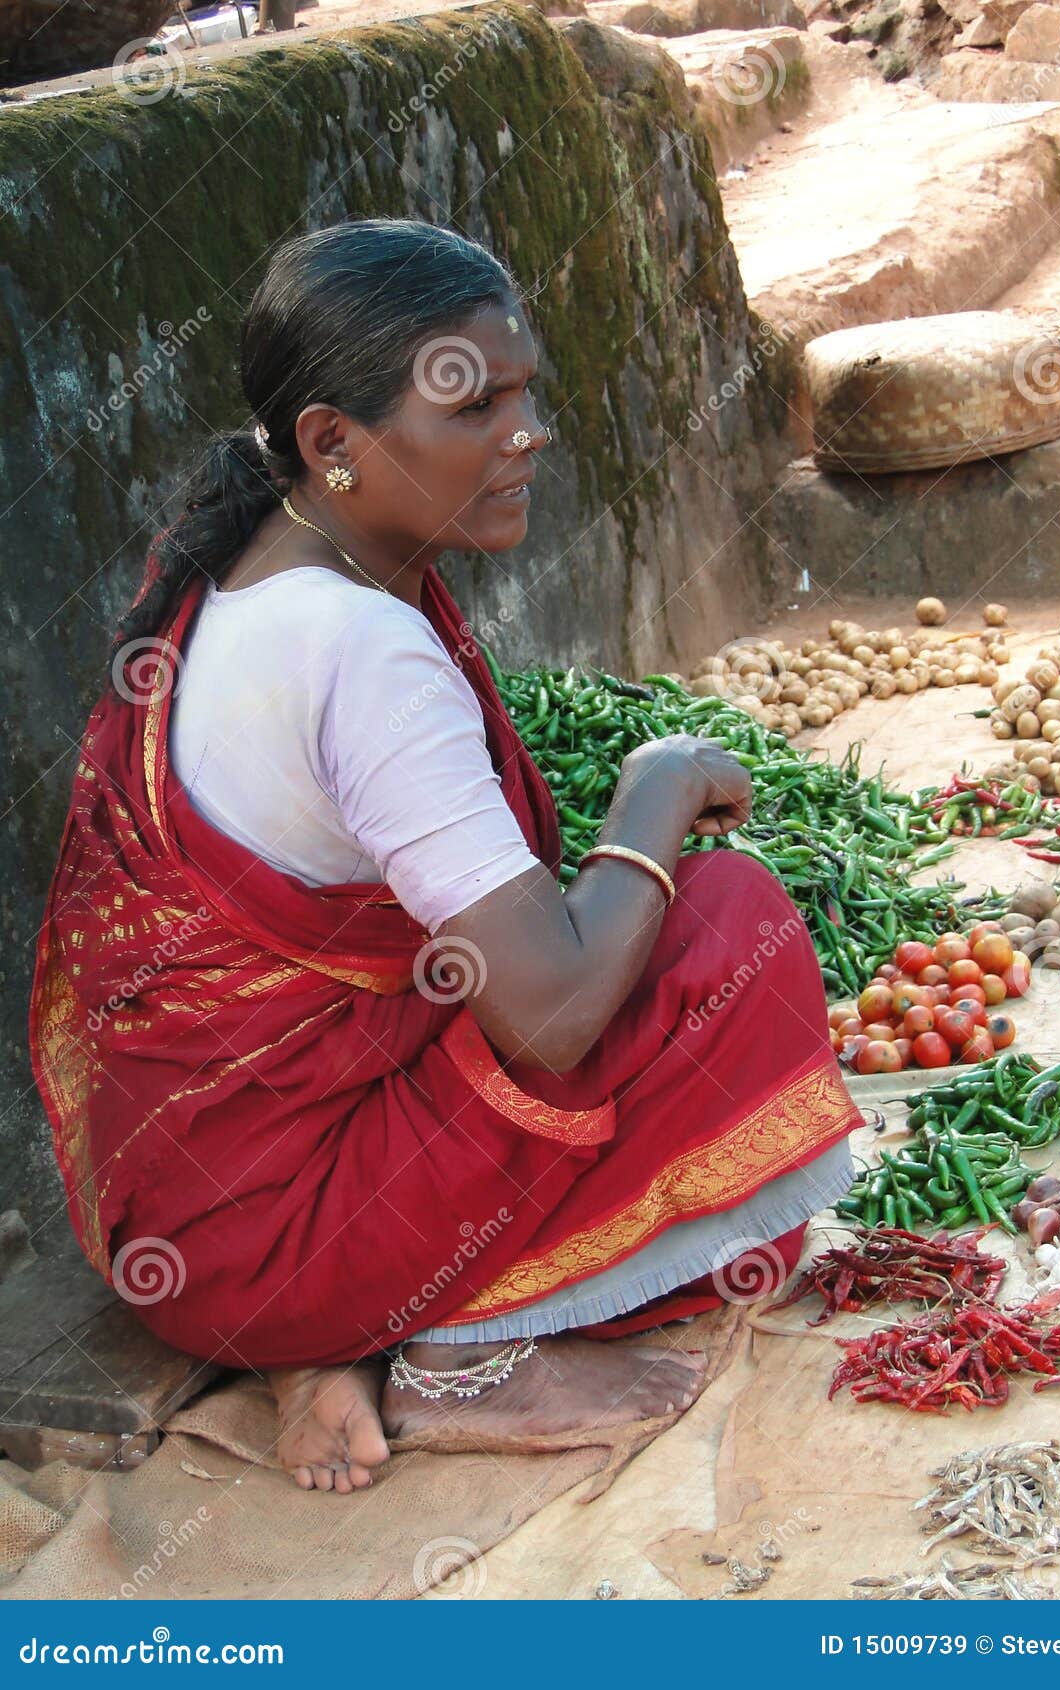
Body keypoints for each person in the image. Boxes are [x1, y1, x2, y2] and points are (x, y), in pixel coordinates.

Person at [31, 218, 860, 1495]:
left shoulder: (241, 558)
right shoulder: (362, 652)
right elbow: (555, 1018)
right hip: (273, 1245)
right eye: (474, 403)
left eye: (523, 393)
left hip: (183, 1211)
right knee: (726, 923)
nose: (527, 434)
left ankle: (341, 1346)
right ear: (331, 439)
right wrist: (657, 787)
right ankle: (459, 1352)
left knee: (598, 931)